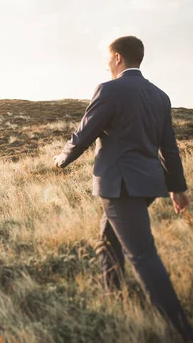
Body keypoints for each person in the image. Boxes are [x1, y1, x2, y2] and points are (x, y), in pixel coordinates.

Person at [53, 35, 193, 341]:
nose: (106, 63)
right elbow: (169, 147)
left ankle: (179, 327)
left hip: (120, 186)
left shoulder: (110, 89)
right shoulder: (160, 95)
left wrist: (62, 158)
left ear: (118, 58)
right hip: (146, 186)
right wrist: (177, 188)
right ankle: (113, 297)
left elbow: (85, 132)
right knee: (108, 240)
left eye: (108, 57)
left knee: (142, 255)